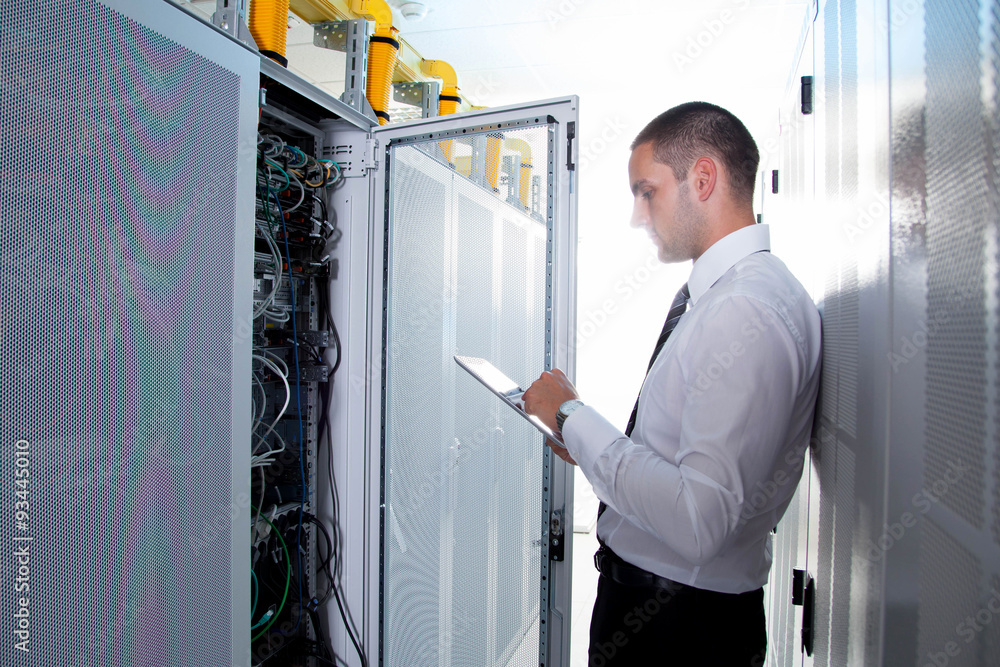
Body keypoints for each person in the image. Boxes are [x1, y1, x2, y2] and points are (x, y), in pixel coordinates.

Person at [521, 102, 822, 666]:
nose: (638, 215)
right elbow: (681, 458)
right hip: (675, 615)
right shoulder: (729, 295)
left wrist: (574, 417)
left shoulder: (744, 310)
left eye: (647, 191)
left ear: (702, 179)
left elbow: (697, 521)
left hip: (677, 630)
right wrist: (583, 438)